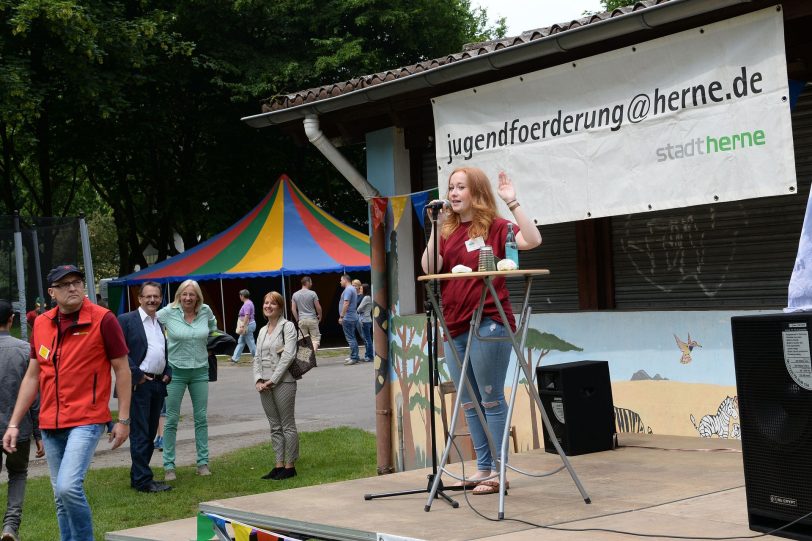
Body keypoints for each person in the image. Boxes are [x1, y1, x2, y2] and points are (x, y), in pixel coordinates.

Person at [421, 168, 541, 495]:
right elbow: (429, 268)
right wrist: (435, 225)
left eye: (461, 187)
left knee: (489, 399)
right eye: (451, 187)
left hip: (489, 319)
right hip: (454, 323)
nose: (455, 193)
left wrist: (512, 201)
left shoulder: (496, 227)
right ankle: (483, 467)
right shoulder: (445, 230)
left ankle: (500, 471)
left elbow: (532, 240)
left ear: (476, 192)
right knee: (469, 402)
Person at [2, 264, 132, 541]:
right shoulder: (41, 323)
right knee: (60, 497)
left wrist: (123, 419)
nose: (73, 288)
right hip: (50, 421)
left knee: (68, 487)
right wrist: (14, 423)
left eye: (77, 282)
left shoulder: (103, 319)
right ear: (52, 292)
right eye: (64, 284)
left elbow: (122, 369)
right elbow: (33, 375)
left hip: (87, 418)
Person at [157, 279, 217, 480]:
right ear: (179, 296)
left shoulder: (205, 311)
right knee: (171, 419)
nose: (188, 298)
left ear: (197, 296)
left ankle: (203, 463)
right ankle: (169, 466)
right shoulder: (168, 312)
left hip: (200, 370)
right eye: (184, 294)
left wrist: (208, 347)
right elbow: (150, 323)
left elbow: (213, 329)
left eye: (192, 294)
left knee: (201, 417)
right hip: (175, 371)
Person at [118, 282, 173, 493]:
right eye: (148, 296)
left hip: (158, 384)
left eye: (156, 297)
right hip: (138, 386)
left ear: (160, 299)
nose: (152, 300)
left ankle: (139, 475)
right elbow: (119, 352)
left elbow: (161, 350)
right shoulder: (127, 320)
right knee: (140, 433)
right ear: (139, 298)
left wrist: (168, 371)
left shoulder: (158, 322)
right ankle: (142, 480)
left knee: (150, 433)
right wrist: (138, 375)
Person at [0, 299, 44, 541]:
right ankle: (10, 527)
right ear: (12, 319)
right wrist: (39, 434)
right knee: (17, 473)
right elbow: (34, 396)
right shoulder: (25, 350)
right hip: (19, 428)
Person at [253, 291, 299, 481]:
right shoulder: (263, 330)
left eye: (273, 303)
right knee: (274, 426)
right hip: (264, 383)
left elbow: (288, 355)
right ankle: (278, 464)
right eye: (265, 303)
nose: (268, 306)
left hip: (283, 381)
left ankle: (290, 466)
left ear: (280, 307)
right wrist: (258, 379)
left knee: (287, 424)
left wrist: (274, 379)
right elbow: (256, 357)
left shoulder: (287, 327)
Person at [290, 276, 322, 351]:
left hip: (302, 320)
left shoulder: (295, 294)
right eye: (311, 282)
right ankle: (313, 354)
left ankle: (305, 360)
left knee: (302, 340)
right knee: (315, 339)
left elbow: (293, 309)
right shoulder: (313, 293)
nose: (311, 283)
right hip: (312, 319)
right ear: (307, 282)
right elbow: (318, 307)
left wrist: (297, 319)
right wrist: (320, 315)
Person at [338, 274, 360, 365]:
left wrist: (341, 316)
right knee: (352, 337)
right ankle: (354, 356)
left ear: (345, 280)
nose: (340, 282)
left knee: (350, 338)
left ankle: (354, 357)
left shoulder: (348, 290)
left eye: (341, 280)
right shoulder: (352, 289)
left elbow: (346, 303)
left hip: (348, 317)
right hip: (352, 316)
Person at [230, 289, 256, 363]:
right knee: (241, 342)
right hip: (248, 325)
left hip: (247, 326)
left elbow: (247, 315)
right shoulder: (249, 302)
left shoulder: (247, 304)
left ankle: (257, 358)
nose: (239, 297)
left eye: (240, 295)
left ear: (243, 296)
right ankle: (234, 358)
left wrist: (242, 326)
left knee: (250, 342)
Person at [357, 283, 373, 363]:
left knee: (367, 339)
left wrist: (359, 310)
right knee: (367, 339)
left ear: (364, 290)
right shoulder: (368, 297)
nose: (360, 290)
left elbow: (359, 309)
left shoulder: (366, 297)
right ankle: (368, 355)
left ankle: (369, 356)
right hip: (367, 320)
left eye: (361, 289)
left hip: (365, 320)